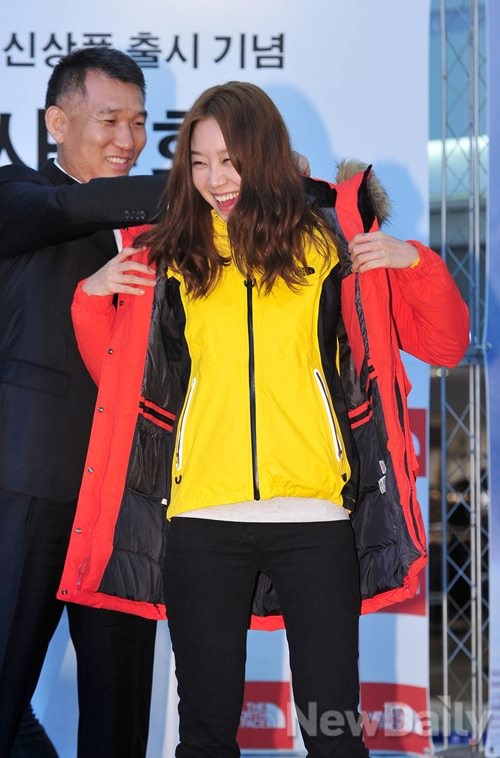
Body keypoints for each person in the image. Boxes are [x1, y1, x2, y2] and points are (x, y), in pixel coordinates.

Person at [59, 82, 470, 756]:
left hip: (314, 518)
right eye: (199, 162)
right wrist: (92, 297)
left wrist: (415, 262)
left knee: (333, 731)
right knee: (206, 735)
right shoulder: (173, 253)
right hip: (200, 520)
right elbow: (120, 380)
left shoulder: (332, 242)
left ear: (268, 154)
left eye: (231, 161)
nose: (215, 179)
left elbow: (446, 344)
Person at [0, 46, 167, 757]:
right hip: (30, 488)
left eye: (139, 121)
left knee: (119, 722)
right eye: (109, 119)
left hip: (128, 507)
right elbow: (72, 206)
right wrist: (205, 185)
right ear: (57, 122)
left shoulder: (165, 234)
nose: (128, 139)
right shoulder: (18, 193)